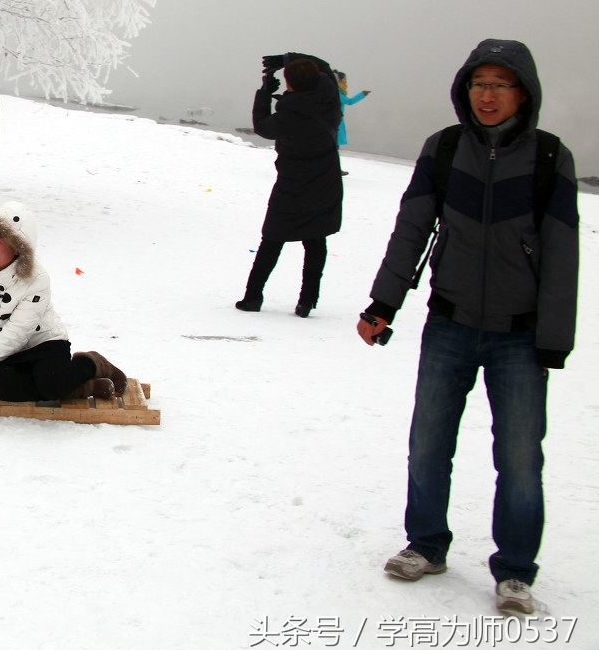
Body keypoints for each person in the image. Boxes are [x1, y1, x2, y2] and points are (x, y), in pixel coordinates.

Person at [357, 39, 578, 616]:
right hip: (450, 322)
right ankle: (425, 545)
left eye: (500, 84)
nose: (487, 95)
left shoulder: (552, 158)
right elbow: (412, 229)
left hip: (520, 335)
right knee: (428, 441)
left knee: (521, 456)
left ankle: (515, 571)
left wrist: (554, 336)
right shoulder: (445, 149)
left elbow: (562, 255)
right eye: (479, 83)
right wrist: (383, 302)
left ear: (523, 93)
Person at [0, 203, 126, 402]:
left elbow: (15, 334)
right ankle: (82, 387)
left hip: (45, 343)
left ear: (17, 247)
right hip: (9, 351)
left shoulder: (37, 279)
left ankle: (94, 363)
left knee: (51, 384)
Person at [235, 54, 342, 317]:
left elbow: (262, 127)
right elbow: (325, 67)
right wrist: (288, 58)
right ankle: (307, 302)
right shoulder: (329, 99)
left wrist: (264, 93)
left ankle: (252, 297)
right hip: (326, 182)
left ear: (290, 84)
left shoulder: (289, 116)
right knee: (316, 241)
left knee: (272, 239)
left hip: (292, 185)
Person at [334, 70, 371, 148]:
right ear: (340, 80)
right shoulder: (337, 92)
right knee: (335, 142)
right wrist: (362, 94)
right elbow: (349, 101)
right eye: (344, 79)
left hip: (337, 118)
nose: (346, 81)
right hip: (336, 119)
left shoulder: (338, 91)